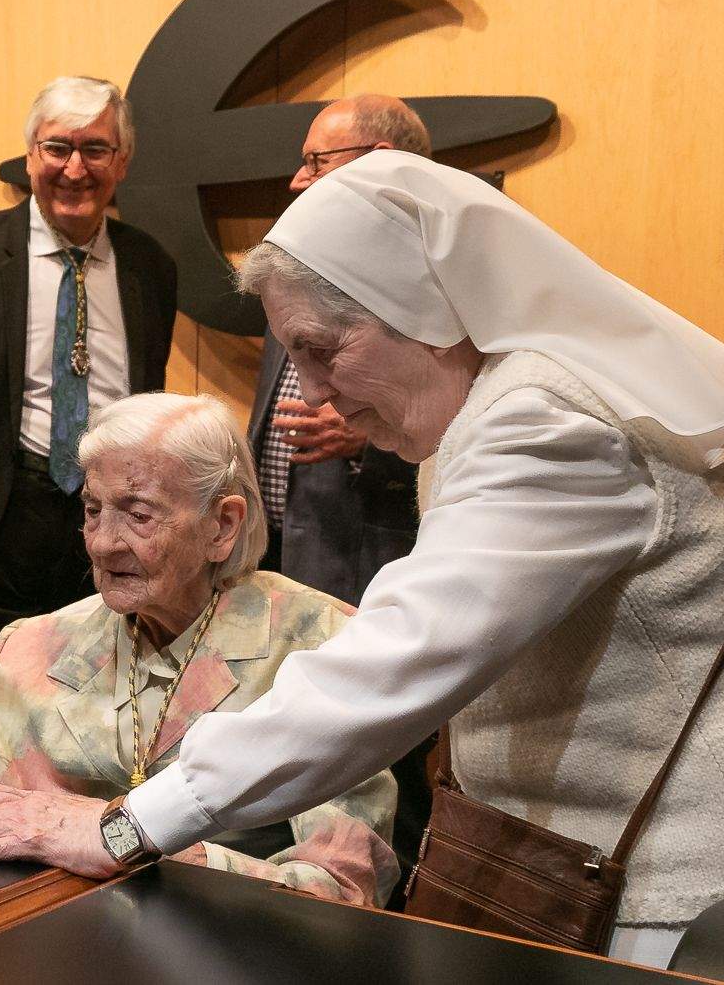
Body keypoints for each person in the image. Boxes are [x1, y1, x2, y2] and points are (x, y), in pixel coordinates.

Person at [0, 152, 724, 971]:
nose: (310, 389)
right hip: (595, 865)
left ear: (427, 313)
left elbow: (392, 667)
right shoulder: (499, 396)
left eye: (323, 352)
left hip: (685, 889)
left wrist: (127, 823)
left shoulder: (550, 421)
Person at [0, 393, 399, 905]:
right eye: (93, 510)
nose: (103, 544)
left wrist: (123, 842)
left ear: (223, 525)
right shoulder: (33, 644)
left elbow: (342, 890)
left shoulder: (320, 648)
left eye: (139, 515)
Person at [0, 76, 178, 728]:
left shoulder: (149, 266)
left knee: (88, 734)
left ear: (122, 162)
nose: (75, 169)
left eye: (96, 150)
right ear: (30, 155)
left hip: (105, 533)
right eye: (58, 148)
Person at [253, 94, 431, 896]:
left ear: (382, 161)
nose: (298, 180)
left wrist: (376, 439)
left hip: (378, 571)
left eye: (318, 162)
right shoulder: (299, 265)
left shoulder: (433, 279)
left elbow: (456, 438)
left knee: (393, 783)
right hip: (291, 569)